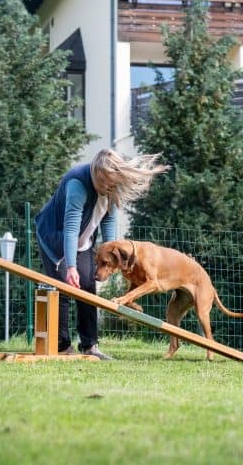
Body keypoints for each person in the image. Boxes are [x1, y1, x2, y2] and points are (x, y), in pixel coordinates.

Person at [35, 148, 169, 360]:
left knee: (88, 287)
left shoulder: (112, 188)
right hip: (55, 237)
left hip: (83, 241)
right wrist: (70, 267)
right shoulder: (77, 184)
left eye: (113, 183)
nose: (109, 187)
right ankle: (61, 346)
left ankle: (90, 346)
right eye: (106, 182)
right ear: (97, 174)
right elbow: (70, 229)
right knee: (62, 287)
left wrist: (111, 255)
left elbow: (108, 222)